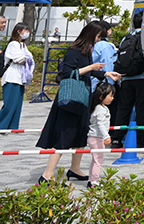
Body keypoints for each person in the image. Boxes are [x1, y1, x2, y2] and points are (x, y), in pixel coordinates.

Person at [37, 21, 122, 183]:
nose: (98, 40)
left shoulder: (87, 50)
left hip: (83, 98)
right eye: (98, 36)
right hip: (70, 99)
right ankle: (47, 175)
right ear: (90, 34)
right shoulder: (73, 50)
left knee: (81, 134)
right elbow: (67, 73)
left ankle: (74, 168)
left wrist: (107, 74)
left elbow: (89, 73)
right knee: (64, 135)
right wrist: (91, 68)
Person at [110, 11, 144, 148]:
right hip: (143, 78)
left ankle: (116, 139)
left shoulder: (127, 38)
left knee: (123, 108)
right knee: (141, 109)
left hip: (126, 78)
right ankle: (139, 139)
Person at [0, 22, 35, 130]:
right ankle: (2, 125)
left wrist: (25, 59)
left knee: (17, 105)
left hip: (20, 77)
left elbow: (30, 58)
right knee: (10, 105)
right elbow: (18, 58)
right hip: (11, 77)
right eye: (25, 30)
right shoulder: (13, 44)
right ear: (18, 31)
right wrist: (24, 59)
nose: (27, 33)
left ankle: (12, 126)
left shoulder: (23, 45)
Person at [87, 81, 115, 188]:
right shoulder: (101, 109)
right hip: (97, 137)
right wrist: (106, 136)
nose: (112, 98)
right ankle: (94, 181)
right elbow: (100, 124)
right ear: (101, 96)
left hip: (94, 136)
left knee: (95, 160)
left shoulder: (99, 108)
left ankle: (92, 178)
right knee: (98, 160)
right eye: (110, 95)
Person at [91, 21, 118, 91]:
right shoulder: (105, 45)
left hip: (92, 81)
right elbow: (108, 65)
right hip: (103, 82)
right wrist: (111, 84)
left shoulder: (93, 44)